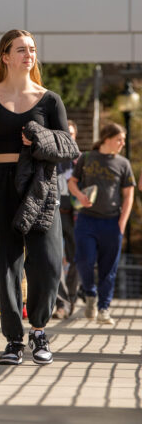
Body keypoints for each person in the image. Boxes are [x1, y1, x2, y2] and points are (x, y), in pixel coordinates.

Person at [0, 29, 76, 366]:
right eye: (21, 49)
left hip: (40, 185)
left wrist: (40, 140)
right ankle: (14, 339)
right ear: (5, 56)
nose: (29, 54)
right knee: (5, 262)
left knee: (47, 260)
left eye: (32, 49)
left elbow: (68, 147)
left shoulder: (50, 99)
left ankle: (39, 330)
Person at [69, 122, 135, 325]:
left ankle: (104, 308)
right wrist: (80, 196)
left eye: (123, 139)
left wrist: (122, 223)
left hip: (112, 222)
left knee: (109, 268)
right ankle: (90, 293)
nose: (123, 143)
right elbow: (72, 182)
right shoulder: (87, 157)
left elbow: (128, 195)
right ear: (107, 139)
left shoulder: (123, 164)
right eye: (119, 139)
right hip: (86, 220)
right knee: (83, 261)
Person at [53, 120, 81, 319]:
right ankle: (60, 304)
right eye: (65, 132)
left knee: (76, 260)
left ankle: (71, 297)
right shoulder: (52, 156)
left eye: (71, 133)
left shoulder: (81, 160)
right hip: (54, 213)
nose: (68, 136)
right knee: (53, 260)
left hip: (75, 216)